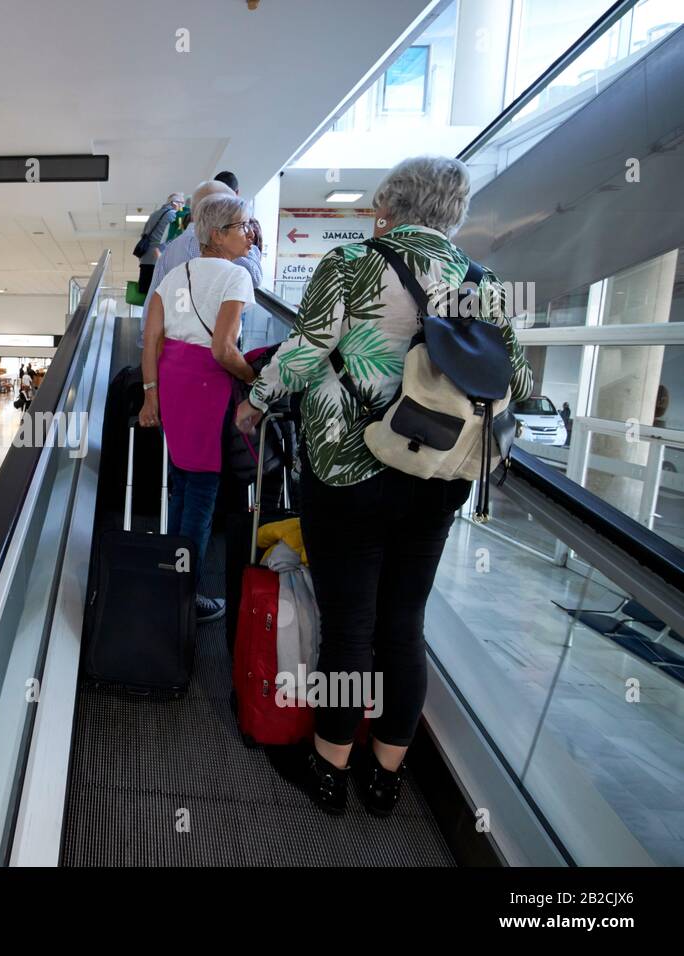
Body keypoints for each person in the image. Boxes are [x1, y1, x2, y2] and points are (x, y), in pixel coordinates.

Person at [236, 156, 533, 817]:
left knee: (349, 626)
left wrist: (255, 399)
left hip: (349, 470)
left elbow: (307, 352)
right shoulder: (483, 282)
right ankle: (386, 775)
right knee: (404, 624)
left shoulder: (351, 264)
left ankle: (329, 766)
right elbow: (520, 381)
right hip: (439, 476)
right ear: (452, 212)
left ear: (388, 207)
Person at [139, 192, 259, 625]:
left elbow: (151, 340)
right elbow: (224, 349)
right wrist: (255, 380)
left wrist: (151, 395)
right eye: (243, 227)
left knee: (181, 486)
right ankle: (184, 595)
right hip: (209, 384)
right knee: (202, 493)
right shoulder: (237, 277)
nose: (250, 235)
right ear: (216, 234)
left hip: (173, 382)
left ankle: (168, 581)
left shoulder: (173, 277)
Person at [146, 178, 270, 348]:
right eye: (240, 224)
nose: (249, 233)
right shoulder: (232, 262)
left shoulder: (170, 251)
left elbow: (151, 311)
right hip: (212, 356)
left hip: (172, 354)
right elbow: (254, 277)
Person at [135, 192, 185, 291]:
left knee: (145, 292)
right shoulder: (173, 215)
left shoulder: (154, 214)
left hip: (145, 259)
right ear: (174, 203)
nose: (183, 206)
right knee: (159, 293)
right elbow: (175, 237)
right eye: (182, 203)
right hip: (159, 258)